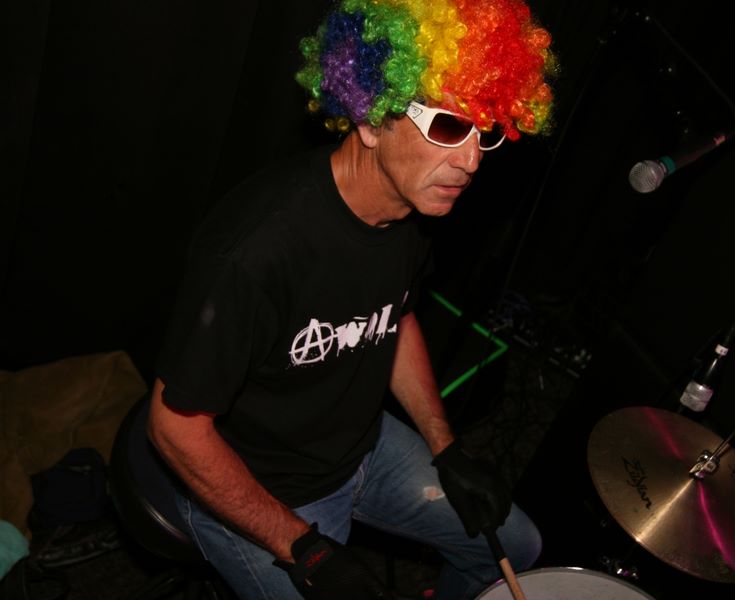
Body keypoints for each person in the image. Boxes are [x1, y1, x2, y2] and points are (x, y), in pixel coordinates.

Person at [147, 0, 556, 598]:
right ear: (369, 119)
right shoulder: (255, 251)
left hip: (364, 446)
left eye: (484, 132)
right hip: (266, 486)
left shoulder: (413, 208)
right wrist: (303, 547)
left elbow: (394, 316)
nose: (471, 161)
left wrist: (444, 445)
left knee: (519, 546)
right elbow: (175, 429)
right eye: (448, 126)